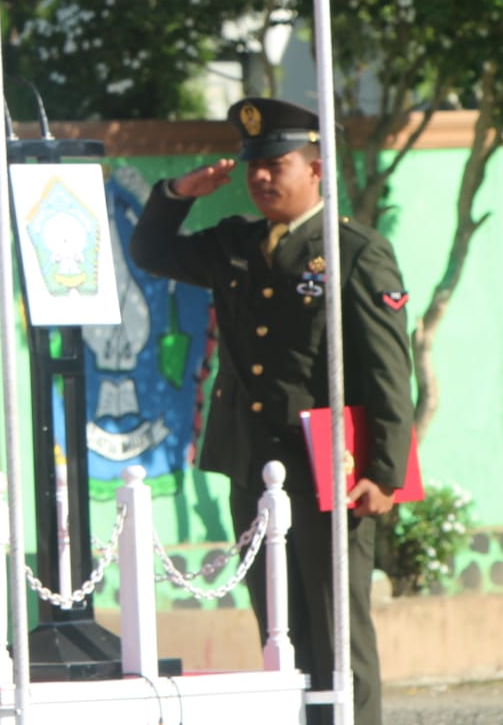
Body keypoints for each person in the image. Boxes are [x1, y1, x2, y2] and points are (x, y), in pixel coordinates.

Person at [128, 96, 415, 725]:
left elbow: (390, 371)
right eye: (254, 164)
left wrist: (386, 474)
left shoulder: (354, 252)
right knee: (281, 624)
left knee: (337, 627)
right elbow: (149, 252)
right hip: (253, 463)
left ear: (315, 168)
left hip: (327, 468)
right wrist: (179, 192)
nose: (260, 177)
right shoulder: (236, 243)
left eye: (276, 163)